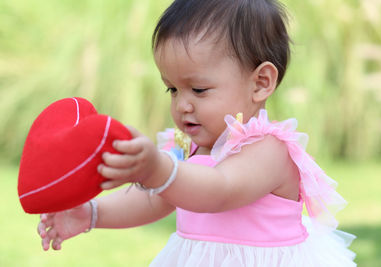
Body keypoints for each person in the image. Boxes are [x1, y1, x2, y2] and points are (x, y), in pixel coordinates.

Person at [37, 0, 357, 266]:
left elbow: (219, 190)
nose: (183, 105)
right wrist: (91, 213)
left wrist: (157, 169)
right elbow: (154, 199)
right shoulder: (187, 148)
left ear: (260, 83)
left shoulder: (267, 149)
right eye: (173, 89)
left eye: (199, 89)